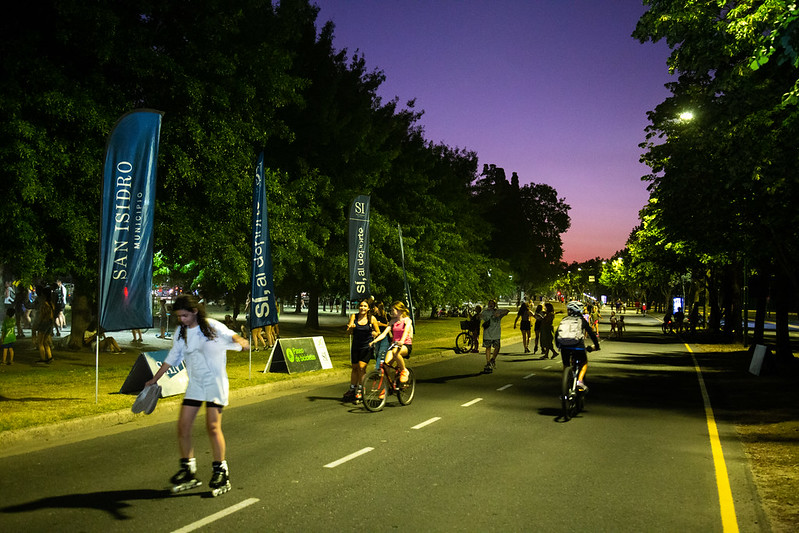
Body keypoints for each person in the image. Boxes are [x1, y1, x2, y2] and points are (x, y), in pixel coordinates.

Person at [145, 294, 249, 496]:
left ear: (194, 312)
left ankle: (221, 471)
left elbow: (231, 335)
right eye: (178, 316)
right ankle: (188, 471)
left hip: (215, 383)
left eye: (184, 315)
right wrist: (154, 379)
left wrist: (241, 341)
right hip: (196, 384)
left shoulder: (210, 327)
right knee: (183, 426)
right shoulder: (181, 333)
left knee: (212, 427)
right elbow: (172, 357)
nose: (181, 319)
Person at [555, 300, 600, 391]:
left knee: (566, 364)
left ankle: (566, 383)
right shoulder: (581, 320)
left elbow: (557, 334)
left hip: (564, 347)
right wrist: (596, 346)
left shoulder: (564, 320)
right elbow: (591, 334)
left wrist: (559, 345)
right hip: (578, 346)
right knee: (584, 362)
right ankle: (579, 381)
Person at [343, 299, 381, 403]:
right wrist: (350, 328)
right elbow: (349, 332)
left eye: (365, 306)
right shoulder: (354, 317)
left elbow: (378, 332)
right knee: (354, 368)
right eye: (361, 306)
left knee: (361, 368)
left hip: (366, 346)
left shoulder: (371, 319)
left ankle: (360, 389)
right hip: (356, 346)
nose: (362, 308)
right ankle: (352, 389)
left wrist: (375, 333)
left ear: (368, 308)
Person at [369, 301, 413, 382]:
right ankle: (388, 386)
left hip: (405, 345)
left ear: (399, 310)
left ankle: (404, 371)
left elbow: (406, 331)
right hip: (394, 346)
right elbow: (384, 333)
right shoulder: (392, 321)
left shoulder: (407, 320)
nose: (391, 312)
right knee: (385, 366)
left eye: (393, 310)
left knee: (395, 352)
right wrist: (374, 341)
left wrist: (402, 341)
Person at [480, 299, 510, 373]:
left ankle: (493, 359)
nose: (491, 305)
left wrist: (499, 314)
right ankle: (488, 362)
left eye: (492, 303)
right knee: (488, 347)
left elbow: (507, 311)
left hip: (496, 333)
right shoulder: (485, 312)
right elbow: (480, 316)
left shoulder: (498, 311)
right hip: (487, 333)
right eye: (489, 303)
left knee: (497, 347)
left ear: (495, 305)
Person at [33, 286, 55, 363]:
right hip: (50, 323)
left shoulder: (44, 304)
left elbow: (42, 316)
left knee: (40, 342)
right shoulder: (51, 304)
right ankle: (50, 357)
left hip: (44, 323)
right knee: (45, 341)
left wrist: (38, 324)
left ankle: (43, 358)